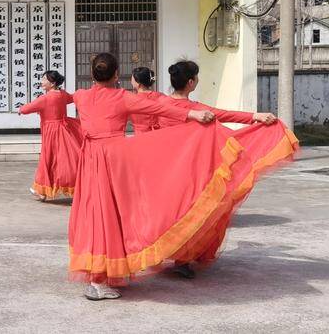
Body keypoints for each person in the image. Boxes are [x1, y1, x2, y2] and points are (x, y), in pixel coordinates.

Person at [69, 53, 286, 301]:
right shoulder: (125, 98)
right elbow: (161, 108)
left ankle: (103, 272)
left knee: (99, 214)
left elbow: (68, 97)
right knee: (121, 215)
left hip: (94, 161)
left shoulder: (81, 96)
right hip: (121, 161)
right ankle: (100, 279)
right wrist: (195, 115)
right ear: (117, 74)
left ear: (93, 73)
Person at [156, 60, 282, 279]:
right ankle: (182, 259)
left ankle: (163, 252)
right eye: (196, 77)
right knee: (193, 213)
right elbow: (224, 114)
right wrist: (255, 116)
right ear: (191, 82)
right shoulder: (195, 109)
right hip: (191, 171)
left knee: (168, 213)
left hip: (164, 169)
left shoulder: (161, 104)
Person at [18, 70, 83, 200]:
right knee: (63, 159)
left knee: (48, 158)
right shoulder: (62, 94)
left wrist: (20, 109)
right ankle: (49, 189)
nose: (41, 82)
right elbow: (73, 97)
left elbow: (26, 108)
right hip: (64, 130)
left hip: (51, 132)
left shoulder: (45, 98)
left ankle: (42, 189)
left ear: (52, 83)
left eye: (44, 79)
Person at [128, 67, 164, 135]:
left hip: (139, 135)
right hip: (157, 134)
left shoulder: (132, 100)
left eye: (132, 80)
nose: (131, 82)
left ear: (138, 83)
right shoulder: (161, 96)